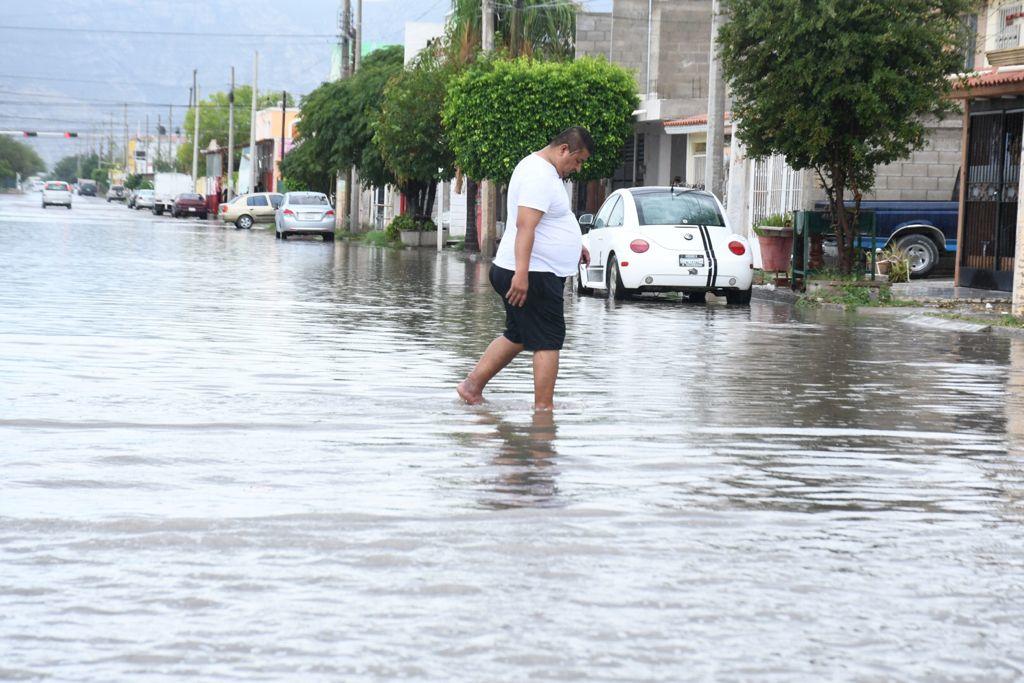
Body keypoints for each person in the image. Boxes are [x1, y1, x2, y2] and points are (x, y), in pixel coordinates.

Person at [457, 126, 594, 411]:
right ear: (564, 149)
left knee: (518, 334)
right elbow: (525, 226)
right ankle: (544, 413)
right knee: (549, 339)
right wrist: (521, 274)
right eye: (578, 160)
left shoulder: (545, 172)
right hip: (533, 272)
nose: (578, 168)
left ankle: (472, 386)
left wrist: (574, 245)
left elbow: (551, 219)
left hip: (529, 269)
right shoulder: (539, 175)